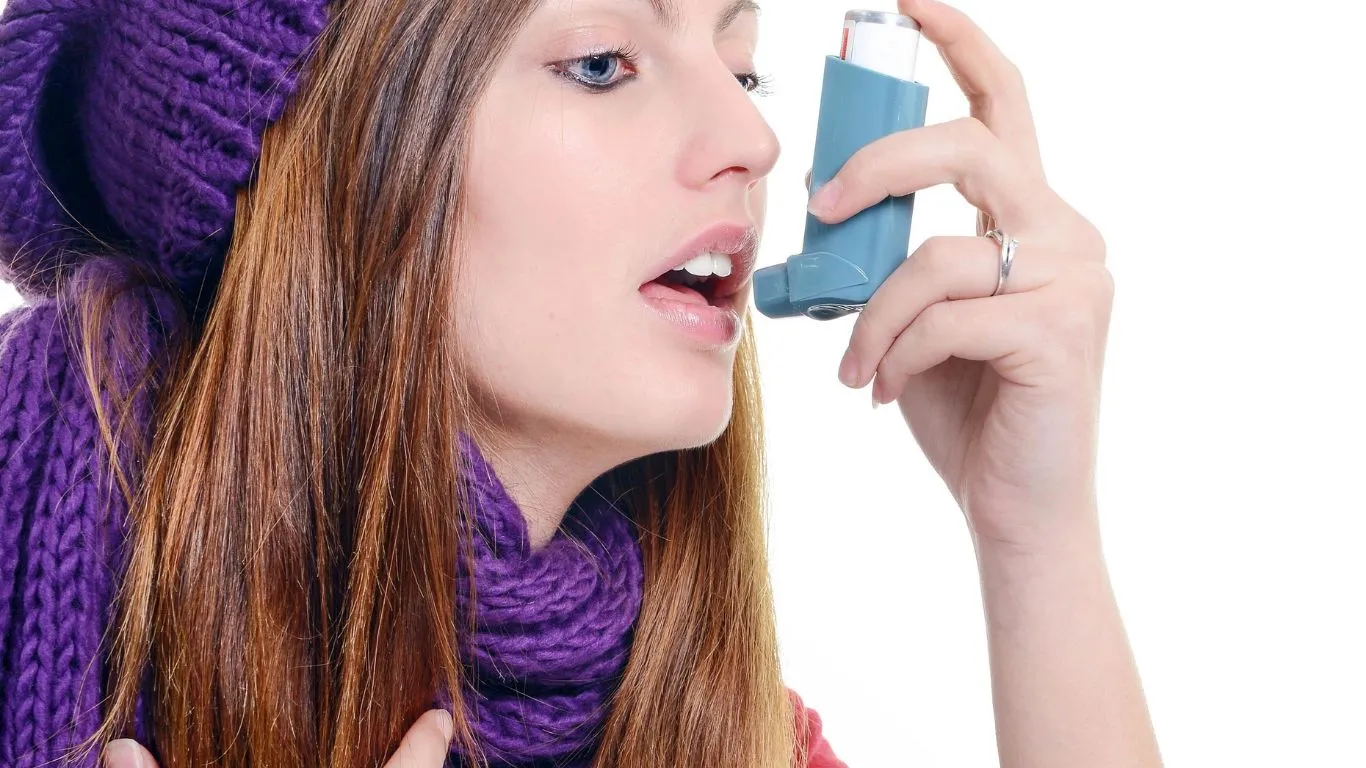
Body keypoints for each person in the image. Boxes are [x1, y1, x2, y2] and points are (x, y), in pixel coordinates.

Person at [0, 0, 1162, 764]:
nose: (751, 144)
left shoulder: (726, 732)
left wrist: (1032, 537)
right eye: (603, 64)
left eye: (741, 70)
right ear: (332, 161)